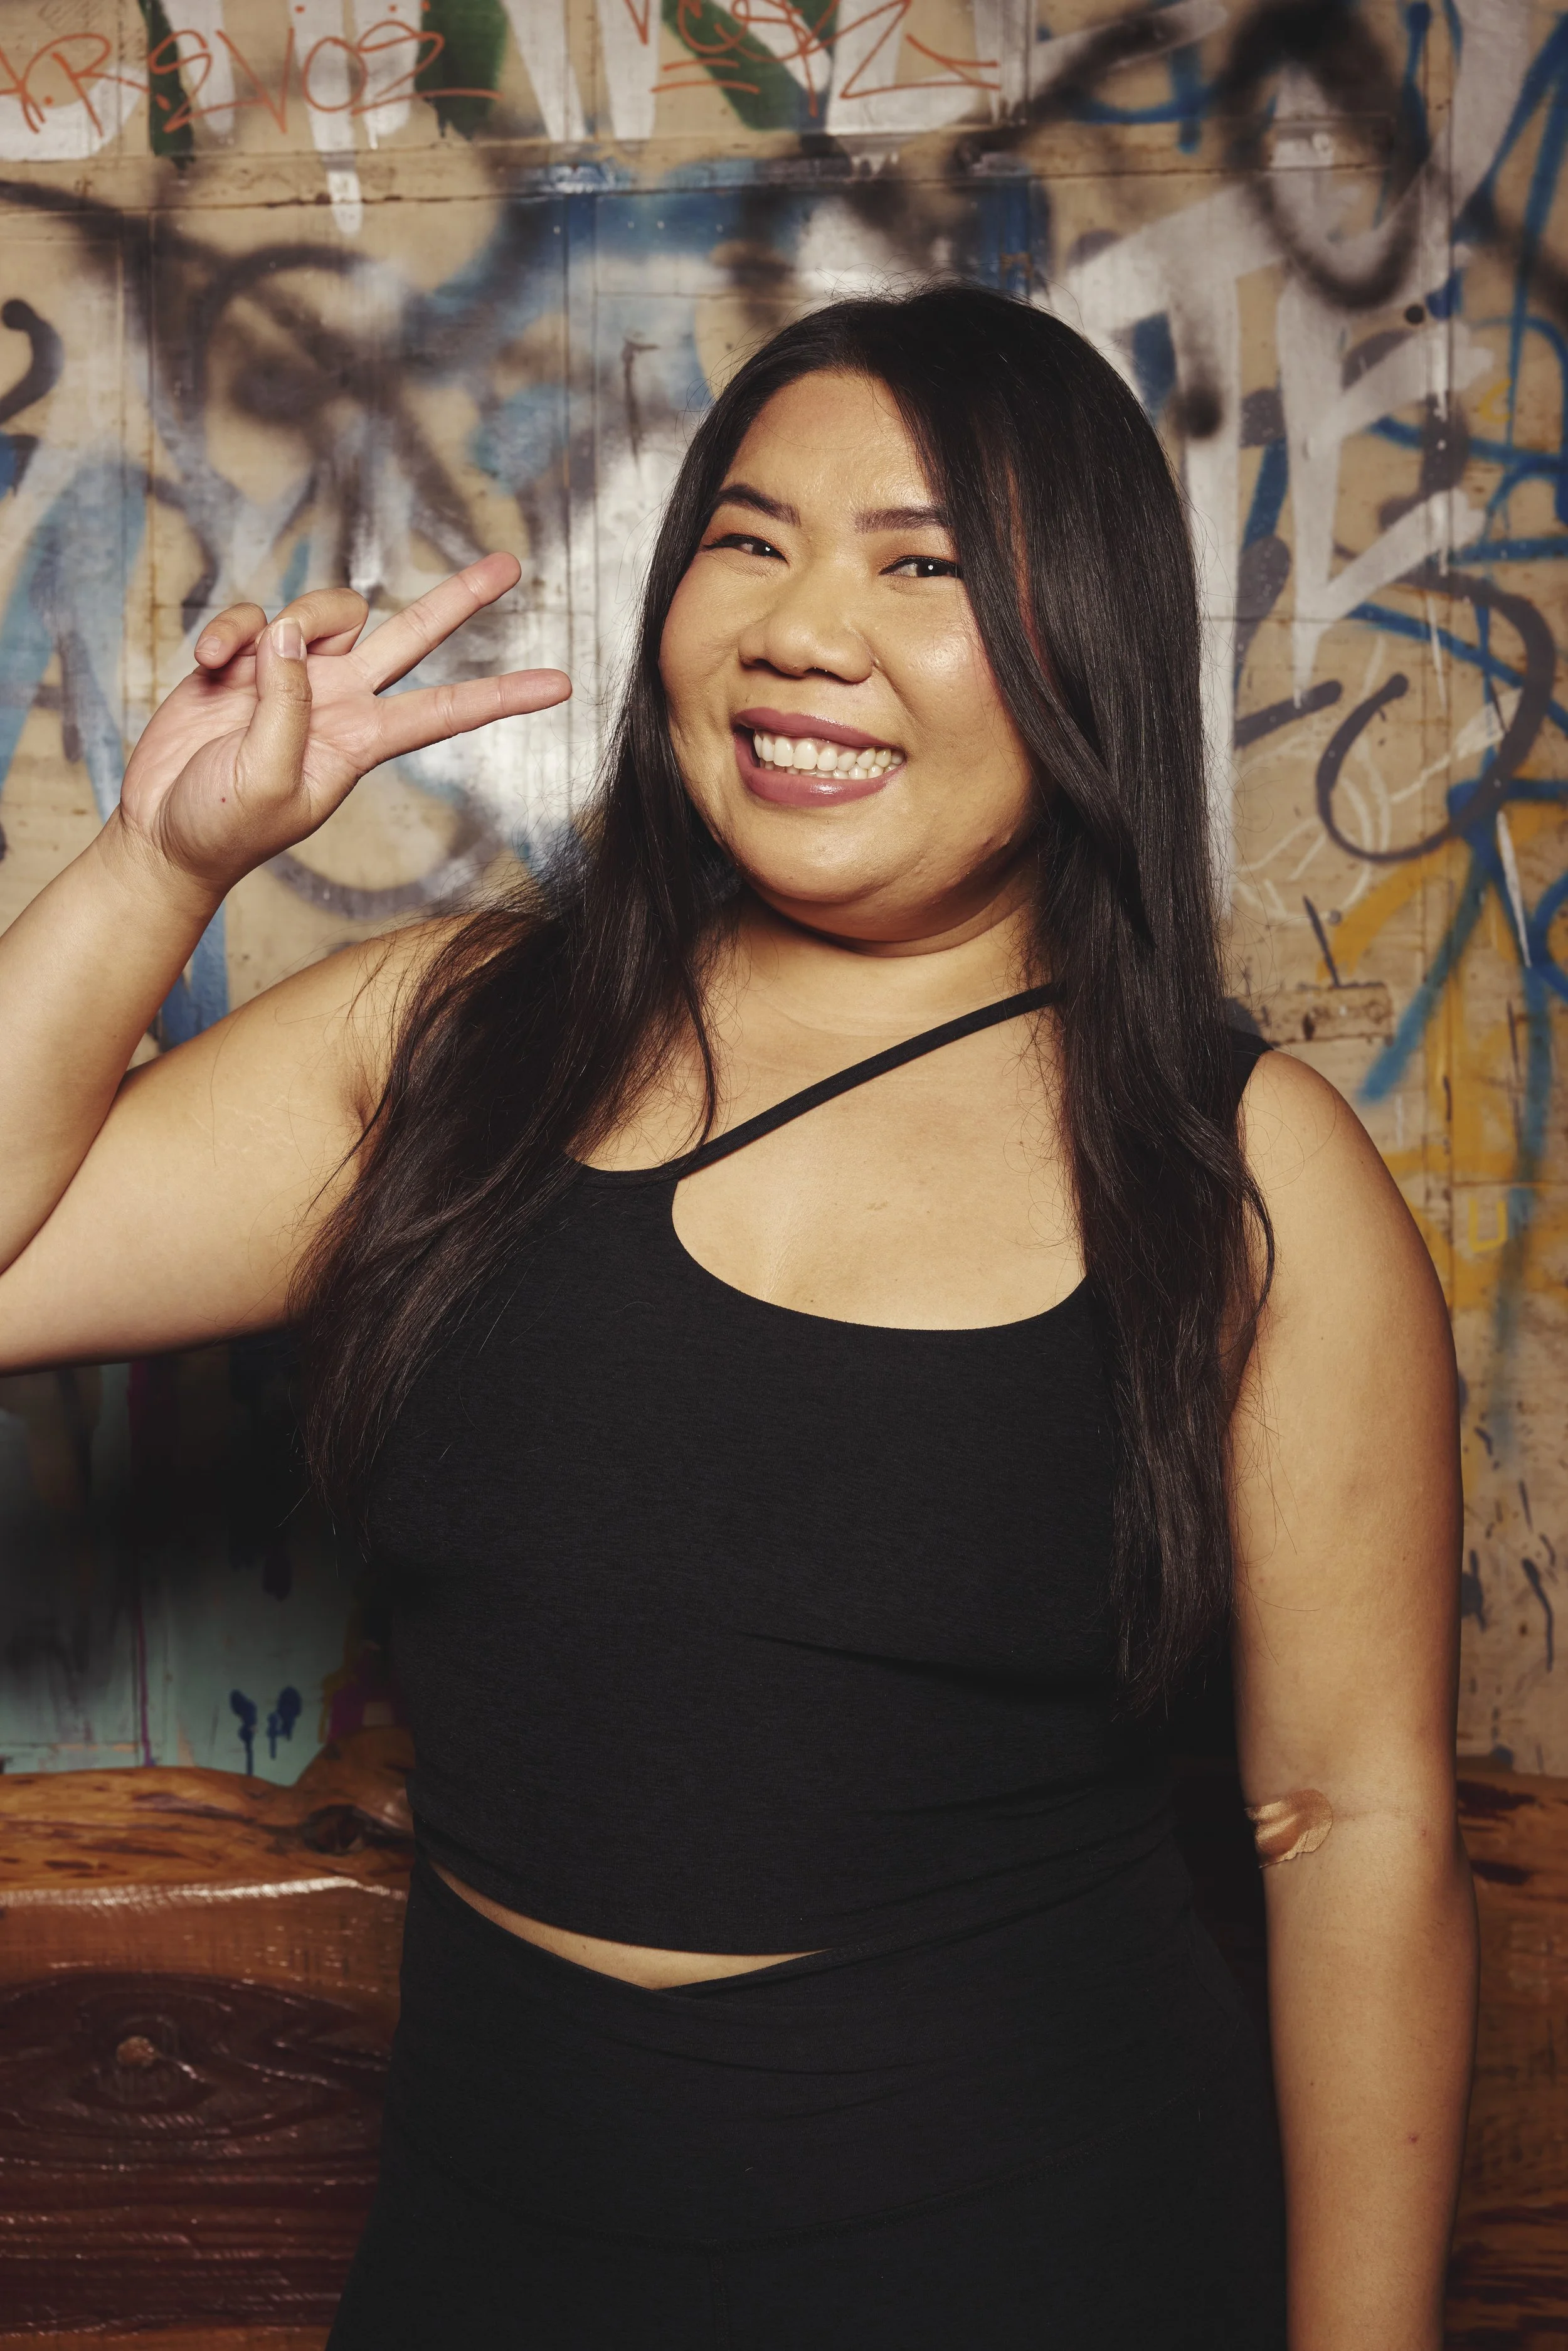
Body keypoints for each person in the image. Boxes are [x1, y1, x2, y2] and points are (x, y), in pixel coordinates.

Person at [0, 285, 1473, 2349]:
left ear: (1093, 644)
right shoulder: (445, 1040)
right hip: (497, 2244)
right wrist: (159, 862)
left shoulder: (1237, 1169)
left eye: (924, 561)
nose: (802, 625)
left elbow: (1349, 1822)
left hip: (1038, 2242)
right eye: (749, 537)